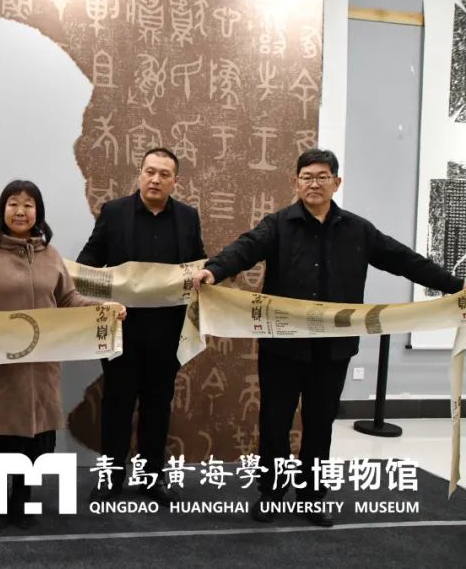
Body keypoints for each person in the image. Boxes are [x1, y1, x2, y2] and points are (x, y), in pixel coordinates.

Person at [193, 148, 464, 527]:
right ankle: (271, 494)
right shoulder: (278, 225)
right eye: (307, 176)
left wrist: (455, 287)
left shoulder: (358, 230)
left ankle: (310, 497)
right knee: (274, 423)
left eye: (322, 176)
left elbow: (404, 260)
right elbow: (246, 248)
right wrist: (214, 270)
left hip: (333, 350)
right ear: (295, 182)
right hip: (282, 348)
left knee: (320, 426)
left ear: (336, 182)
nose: (314, 183)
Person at [0, 179, 126, 529]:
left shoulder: (51, 255)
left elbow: (68, 299)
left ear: (38, 212)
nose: (20, 211)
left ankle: (22, 498)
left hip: (41, 366)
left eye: (28, 205)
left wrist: (104, 309)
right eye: (13, 204)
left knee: (34, 440)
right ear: (2, 210)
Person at [75, 148, 205, 505]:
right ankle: (111, 478)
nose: (155, 179)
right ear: (140, 173)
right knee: (116, 404)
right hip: (121, 327)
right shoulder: (114, 212)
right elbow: (90, 259)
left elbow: (197, 264)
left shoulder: (188, 217)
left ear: (175, 181)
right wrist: (81, 283)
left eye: (164, 174)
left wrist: (209, 277)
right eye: (150, 171)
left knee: (157, 406)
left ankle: (152, 479)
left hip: (168, 330)